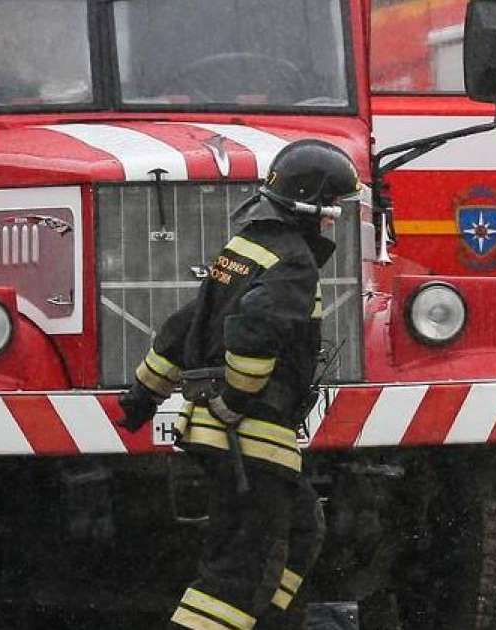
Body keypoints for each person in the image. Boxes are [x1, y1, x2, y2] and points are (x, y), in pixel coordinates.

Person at [117, 139, 359, 630]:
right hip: (249, 436)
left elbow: (186, 325)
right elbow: (252, 328)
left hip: (228, 435)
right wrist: (236, 398)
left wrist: (144, 395)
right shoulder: (293, 261)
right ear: (308, 205)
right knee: (238, 575)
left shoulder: (246, 249)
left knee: (302, 528)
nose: (334, 218)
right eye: (332, 206)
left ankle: (270, 623)